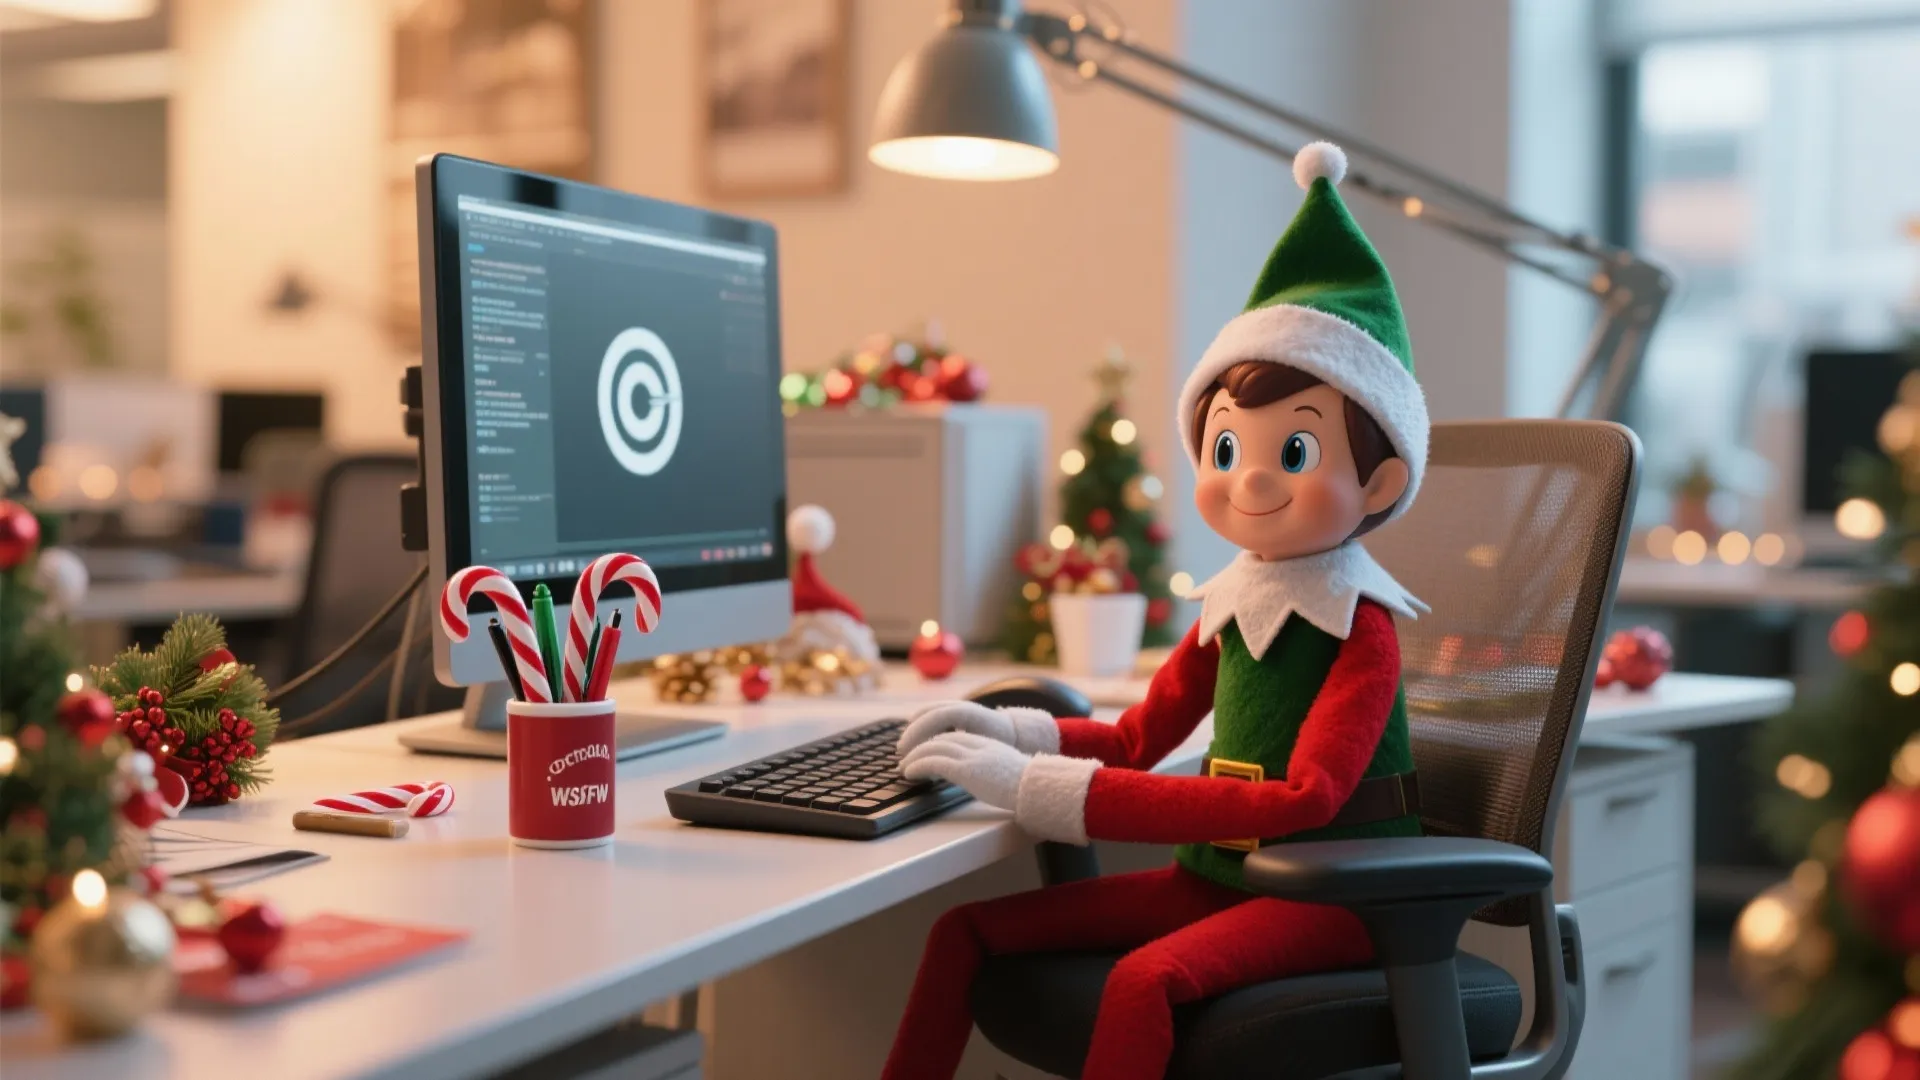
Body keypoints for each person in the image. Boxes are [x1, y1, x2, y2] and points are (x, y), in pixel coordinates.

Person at [882, 141, 1432, 1080]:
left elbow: (1305, 801)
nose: (1247, 476)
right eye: (1224, 448)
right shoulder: (1240, 600)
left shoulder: (1360, 627)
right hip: (1217, 875)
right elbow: (1139, 739)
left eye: (1291, 454)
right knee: (967, 930)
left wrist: (1044, 794)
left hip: (1335, 894)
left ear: (1380, 478)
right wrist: (1018, 736)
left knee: (1144, 982)